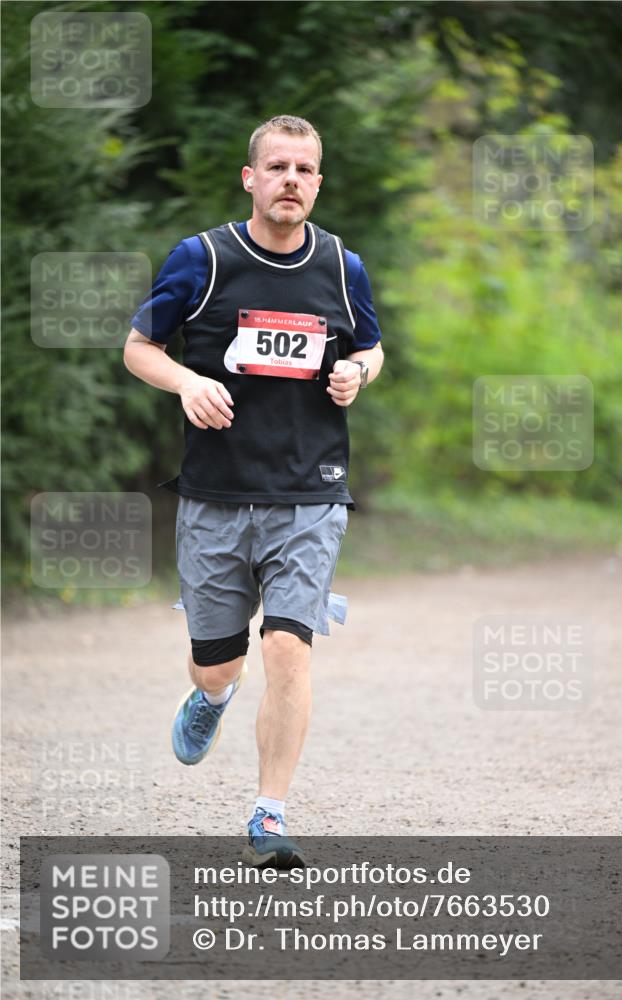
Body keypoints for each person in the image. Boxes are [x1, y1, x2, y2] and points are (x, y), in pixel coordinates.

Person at [123, 115, 384, 868]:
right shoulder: (203, 259)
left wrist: (357, 372)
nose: (290, 181)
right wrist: (187, 381)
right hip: (215, 494)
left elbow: (369, 345)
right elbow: (140, 347)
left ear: (318, 183)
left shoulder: (341, 266)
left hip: (310, 493)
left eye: (304, 170)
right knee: (218, 663)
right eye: (277, 168)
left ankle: (269, 816)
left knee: (288, 651)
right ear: (250, 178)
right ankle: (209, 698)